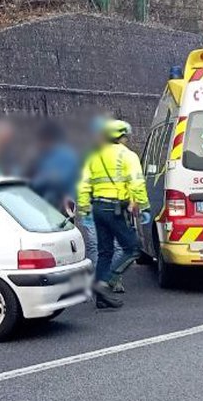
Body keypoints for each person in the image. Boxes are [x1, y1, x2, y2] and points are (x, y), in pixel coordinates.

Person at [77, 119, 150, 309]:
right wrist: (144, 206)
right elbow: (136, 182)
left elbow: (84, 185)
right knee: (133, 248)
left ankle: (101, 299)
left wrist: (85, 209)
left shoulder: (93, 156)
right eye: (125, 136)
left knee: (105, 252)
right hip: (116, 209)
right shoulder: (127, 155)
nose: (127, 139)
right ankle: (106, 282)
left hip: (97, 209)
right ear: (120, 137)